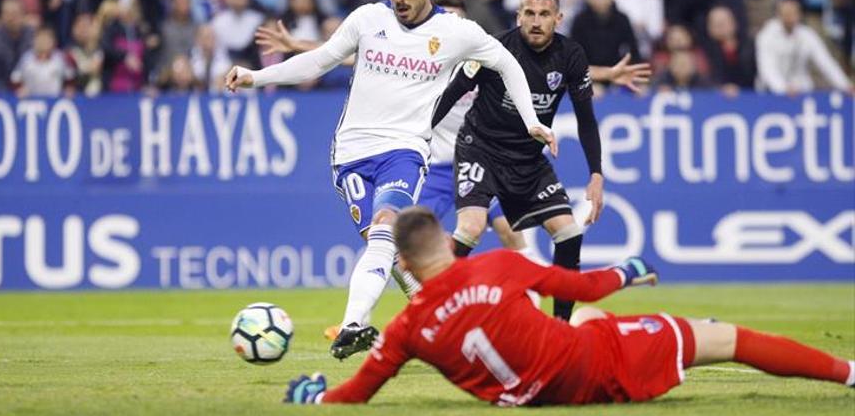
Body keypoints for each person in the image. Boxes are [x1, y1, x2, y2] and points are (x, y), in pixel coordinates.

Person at [224, 0, 555, 360]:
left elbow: (509, 64)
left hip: (405, 151)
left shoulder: (456, 31)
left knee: (384, 230)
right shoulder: (368, 19)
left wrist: (530, 121)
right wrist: (256, 76)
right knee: (394, 254)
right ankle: (442, 320)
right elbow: (320, 61)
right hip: (350, 154)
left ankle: (352, 325)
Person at [283, 207, 855, 407]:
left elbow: (355, 393)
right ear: (445, 241)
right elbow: (585, 286)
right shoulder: (497, 265)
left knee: (588, 322)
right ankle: (849, 374)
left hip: (531, 394)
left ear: (403, 266)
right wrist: (629, 270)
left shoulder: (405, 329)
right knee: (724, 337)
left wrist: (316, 398)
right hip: (589, 366)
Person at [435, 0, 645, 321]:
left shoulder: (571, 56)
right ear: (518, 16)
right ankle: (436, 309)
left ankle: (561, 325)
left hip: (528, 159)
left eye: (544, 14)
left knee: (569, 233)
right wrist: (418, 132)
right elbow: (454, 90)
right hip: (481, 149)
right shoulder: (494, 49)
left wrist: (596, 174)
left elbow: (586, 121)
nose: (536, 21)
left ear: (558, 18)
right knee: (471, 228)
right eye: (529, 13)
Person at [756, 0, 853, 95]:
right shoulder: (766, 35)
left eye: (793, 13)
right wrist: (783, 88)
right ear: (779, 15)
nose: (790, 17)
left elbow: (826, 62)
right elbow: (767, 68)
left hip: (801, 92)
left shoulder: (806, 35)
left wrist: (845, 85)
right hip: (771, 92)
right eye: (786, 13)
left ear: (799, 14)